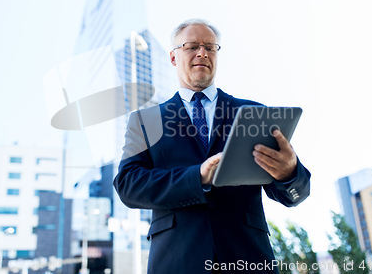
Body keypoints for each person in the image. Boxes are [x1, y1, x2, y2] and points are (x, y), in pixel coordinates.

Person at [113, 19, 311, 274]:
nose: (202, 53)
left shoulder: (253, 113)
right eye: (191, 46)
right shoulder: (145, 121)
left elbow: (295, 193)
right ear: (173, 58)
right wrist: (196, 177)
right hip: (176, 260)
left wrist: (289, 172)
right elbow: (128, 184)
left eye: (210, 47)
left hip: (247, 258)